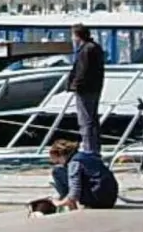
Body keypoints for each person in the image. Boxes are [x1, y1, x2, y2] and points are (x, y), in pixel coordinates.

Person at [41, 138, 119, 212]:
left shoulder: (74, 163)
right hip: (110, 199)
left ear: (60, 154)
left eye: (57, 161)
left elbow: (75, 192)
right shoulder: (86, 155)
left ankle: (68, 202)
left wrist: (57, 203)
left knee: (57, 171)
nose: (60, 164)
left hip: (97, 200)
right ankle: (68, 201)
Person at [67, 23, 106, 154]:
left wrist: (74, 85)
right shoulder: (95, 47)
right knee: (92, 120)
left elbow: (82, 71)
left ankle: (89, 150)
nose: (72, 38)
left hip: (86, 90)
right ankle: (94, 149)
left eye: (72, 35)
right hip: (95, 87)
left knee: (85, 121)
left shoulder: (85, 49)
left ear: (77, 36)